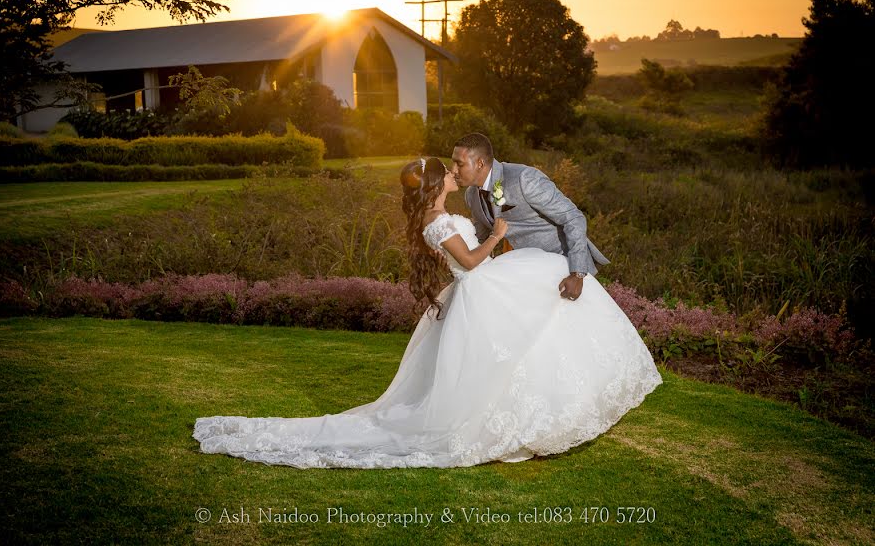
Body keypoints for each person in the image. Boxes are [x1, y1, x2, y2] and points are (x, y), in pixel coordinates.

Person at [192, 157, 662, 469]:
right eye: (449, 170)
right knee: (515, 347)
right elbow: (473, 261)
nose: (456, 172)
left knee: (528, 342)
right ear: (438, 183)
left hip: (488, 286)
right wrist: (498, 234)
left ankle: (536, 414)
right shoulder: (438, 221)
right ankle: (517, 420)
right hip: (483, 286)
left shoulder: (440, 216)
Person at [450, 132, 609, 302]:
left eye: (459, 164)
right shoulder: (471, 195)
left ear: (480, 163)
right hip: (526, 274)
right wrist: (454, 252)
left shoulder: (523, 178)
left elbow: (573, 217)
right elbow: (480, 237)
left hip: (562, 266)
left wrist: (577, 273)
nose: (453, 170)